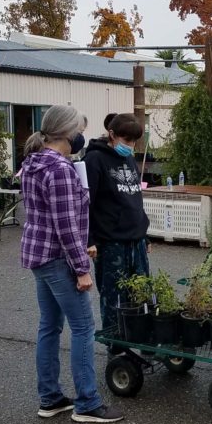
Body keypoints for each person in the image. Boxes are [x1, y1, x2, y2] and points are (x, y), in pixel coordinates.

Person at [19, 104, 123, 424]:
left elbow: (49, 220)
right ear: (67, 133)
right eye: (78, 130)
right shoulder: (61, 169)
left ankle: (50, 398)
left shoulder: (33, 163)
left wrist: (81, 247)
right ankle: (87, 403)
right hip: (58, 259)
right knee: (82, 328)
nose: (81, 135)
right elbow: (64, 225)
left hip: (39, 255)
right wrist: (81, 268)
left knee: (49, 327)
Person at [83, 113, 150, 335]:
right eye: (126, 140)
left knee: (141, 292)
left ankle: (140, 337)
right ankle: (116, 343)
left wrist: (143, 232)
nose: (130, 146)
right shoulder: (94, 160)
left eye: (133, 141)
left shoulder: (128, 158)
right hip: (110, 241)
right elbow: (85, 202)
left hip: (135, 239)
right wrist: (89, 239)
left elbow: (134, 198)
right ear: (112, 135)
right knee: (114, 295)